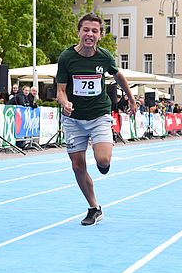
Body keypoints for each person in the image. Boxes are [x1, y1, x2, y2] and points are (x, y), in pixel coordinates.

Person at [56, 13, 136, 226]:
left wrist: (131, 98)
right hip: (74, 119)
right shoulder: (67, 58)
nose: (89, 34)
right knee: (77, 166)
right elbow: (60, 91)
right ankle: (94, 207)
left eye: (94, 31)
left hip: (99, 114)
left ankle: (103, 158)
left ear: (100, 35)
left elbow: (118, 75)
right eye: (86, 30)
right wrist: (65, 103)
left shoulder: (104, 57)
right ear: (79, 32)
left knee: (103, 161)